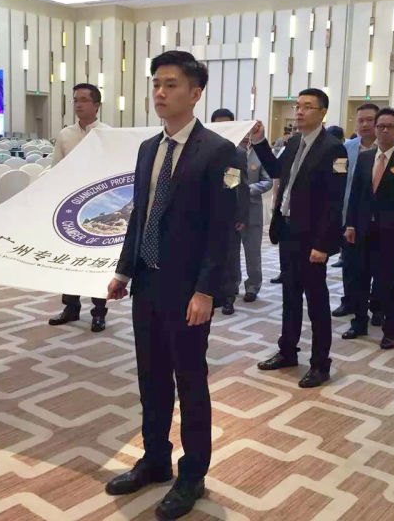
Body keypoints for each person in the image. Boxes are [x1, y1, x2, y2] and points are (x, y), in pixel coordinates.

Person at [104, 51, 236, 520]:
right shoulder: (148, 149)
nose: (160, 93)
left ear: (195, 93)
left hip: (188, 292)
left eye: (171, 85)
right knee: (151, 377)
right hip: (147, 284)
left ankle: (192, 474)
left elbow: (223, 230)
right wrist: (124, 271)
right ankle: (155, 458)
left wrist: (206, 291)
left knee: (190, 381)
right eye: (156, 84)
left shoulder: (219, 152)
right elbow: (139, 216)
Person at [251, 88, 347, 388]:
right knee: (290, 294)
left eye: (307, 107)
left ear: (322, 112)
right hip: (289, 230)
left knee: (316, 300)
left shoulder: (334, 149)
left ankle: (320, 364)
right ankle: (287, 351)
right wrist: (260, 142)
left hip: (313, 238)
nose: (300, 112)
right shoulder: (293, 142)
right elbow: (276, 170)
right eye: (298, 106)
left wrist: (322, 244)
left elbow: (334, 201)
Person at [342, 107, 394, 349]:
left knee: (388, 281)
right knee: (359, 278)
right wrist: (350, 223)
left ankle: (390, 331)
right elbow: (355, 195)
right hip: (362, 229)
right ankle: (359, 322)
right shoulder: (365, 158)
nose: (384, 130)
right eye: (380, 126)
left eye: (389, 127)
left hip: (389, 232)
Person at [49, 83, 111, 331]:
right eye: (75, 100)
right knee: (70, 259)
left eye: (84, 100)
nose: (78, 104)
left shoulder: (108, 134)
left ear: (96, 105)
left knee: (96, 262)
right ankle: (71, 307)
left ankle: (99, 312)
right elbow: (56, 170)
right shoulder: (66, 135)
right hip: (70, 207)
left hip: (99, 206)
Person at [332, 103, 377, 316]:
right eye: (361, 120)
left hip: (377, 219)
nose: (365, 124)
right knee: (350, 263)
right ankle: (349, 301)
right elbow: (336, 178)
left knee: (377, 266)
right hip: (348, 216)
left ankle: (376, 306)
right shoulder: (345, 148)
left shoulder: (391, 149)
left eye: (370, 120)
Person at [210, 108, 249, 316]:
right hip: (205, 212)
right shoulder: (203, 148)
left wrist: (241, 215)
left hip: (229, 213)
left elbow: (241, 186)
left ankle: (229, 296)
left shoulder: (237, 152)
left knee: (230, 256)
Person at [238, 130, 272, 303]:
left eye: (248, 133)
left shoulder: (259, 154)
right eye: (243, 133)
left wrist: (249, 189)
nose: (245, 136)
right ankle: (232, 284)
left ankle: (253, 286)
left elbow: (268, 181)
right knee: (230, 253)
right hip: (232, 211)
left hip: (252, 210)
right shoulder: (229, 152)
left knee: (252, 252)